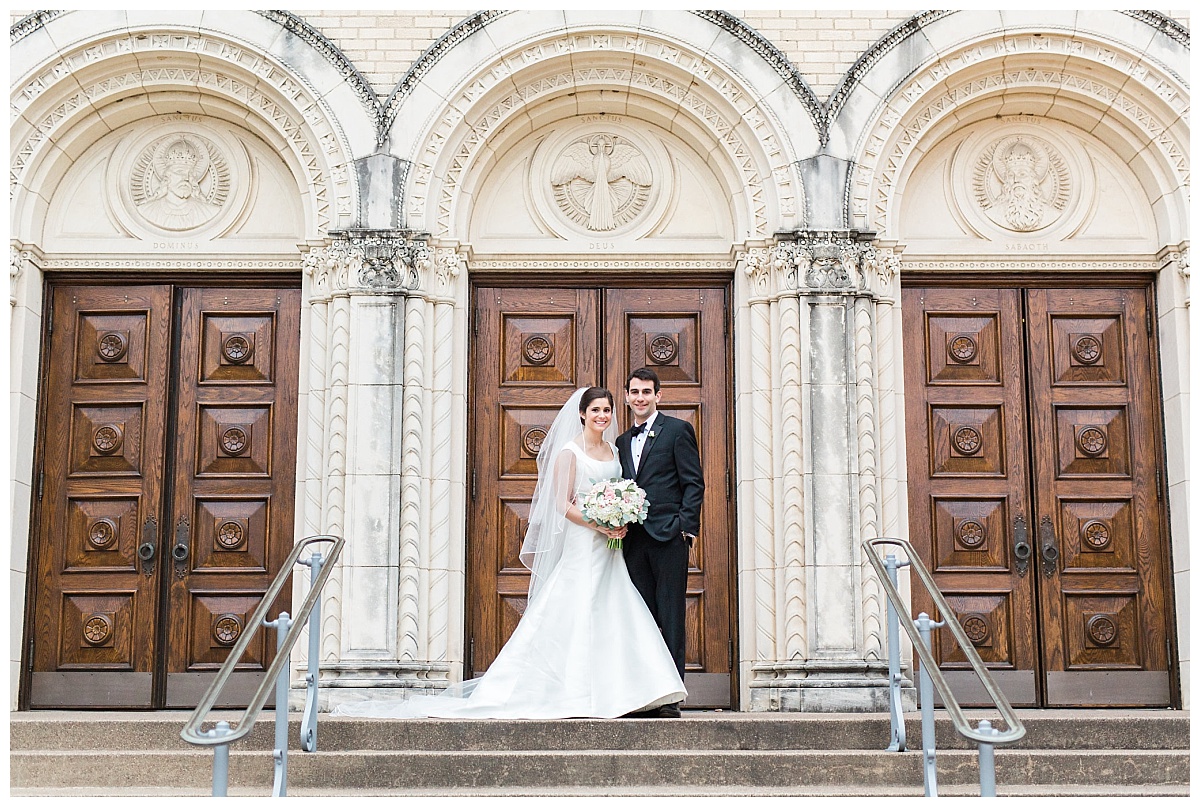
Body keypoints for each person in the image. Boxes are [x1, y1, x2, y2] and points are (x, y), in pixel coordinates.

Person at [332, 386, 685, 719]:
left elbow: (619, 489)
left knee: (615, 609)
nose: (603, 416)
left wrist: (620, 519)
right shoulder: (569, 452)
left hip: (610, 548)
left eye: (607, 410)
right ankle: (572, 691)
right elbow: (562, 505)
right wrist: (600, 523)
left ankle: (623, 692)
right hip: (584, 542)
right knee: (578, 608)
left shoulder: (613, 451)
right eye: (596, 410)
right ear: (581, 414)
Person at [615, 368, 705, 718]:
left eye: (646, 392)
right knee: (641, 616)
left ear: (658, 396)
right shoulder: (622, 441)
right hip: (633, 540)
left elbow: (693, 483)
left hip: (668, 535)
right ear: (626, 396)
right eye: (634, 391)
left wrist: (686, 527)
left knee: (670, 615)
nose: (640, 397)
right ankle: (643, 693)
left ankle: (669, 696)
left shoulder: (678, 431)